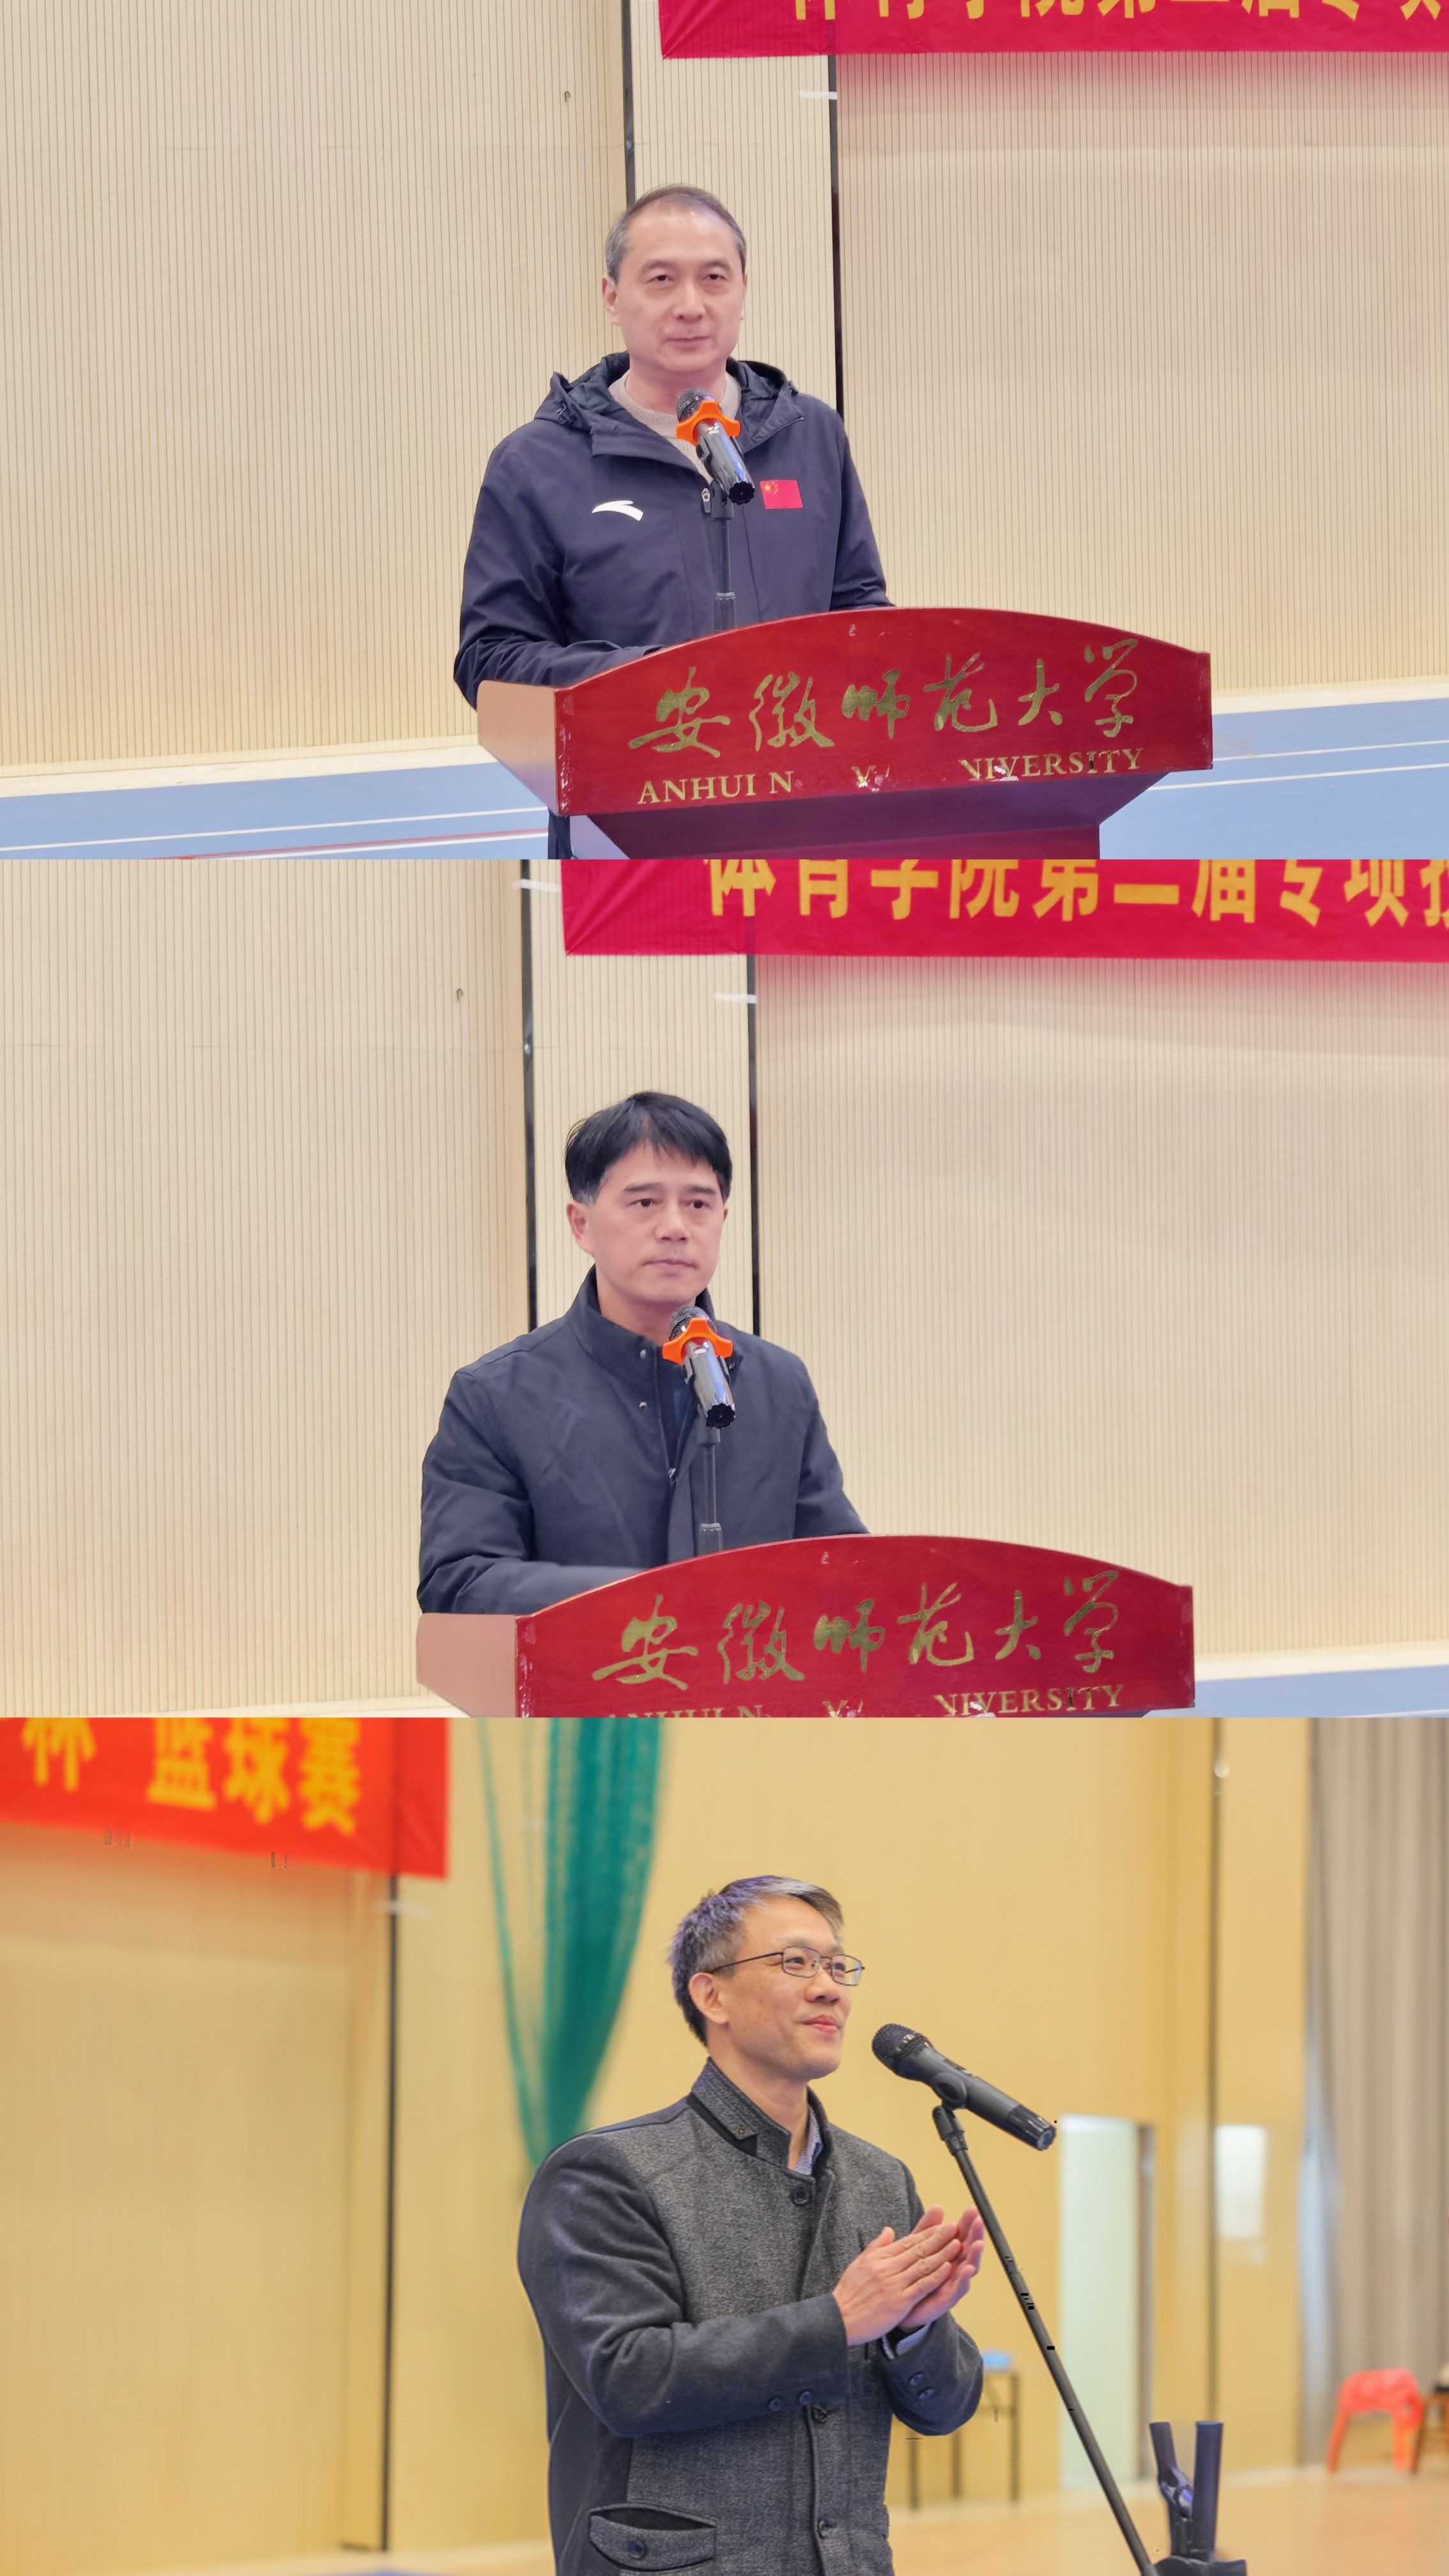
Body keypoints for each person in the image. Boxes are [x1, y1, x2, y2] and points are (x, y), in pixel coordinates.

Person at [518, 1874, 986, 2576]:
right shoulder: (606, 2173)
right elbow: (628, 2378)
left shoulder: (879, 2179)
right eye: (796, 1962)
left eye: (838, 1966)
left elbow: (944, 2409)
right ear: (712, 1996)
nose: (829, 1988)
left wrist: (914, 2330)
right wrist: (838, 2323)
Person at [418, 1092, 862, 1614]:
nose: (675, 1227)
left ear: (723, 1218)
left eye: (698, 1205)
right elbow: (462, 1580)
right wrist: (657, 1601)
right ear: (582, 1225)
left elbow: (842, 1567)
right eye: (645, 1203)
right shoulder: (496, 1395)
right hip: (586, 1667)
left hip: (751, 1670)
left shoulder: (779, 1383)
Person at [454, 184, 889, 702]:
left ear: (743, 291)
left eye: (714, 278)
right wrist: (659, 677)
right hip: (636, 750)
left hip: (793, 747)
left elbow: (862, 613)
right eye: (661, 280)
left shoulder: (811, 434)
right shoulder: (535, 464)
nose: (691, 306)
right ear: (612, 298)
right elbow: (491, 660)